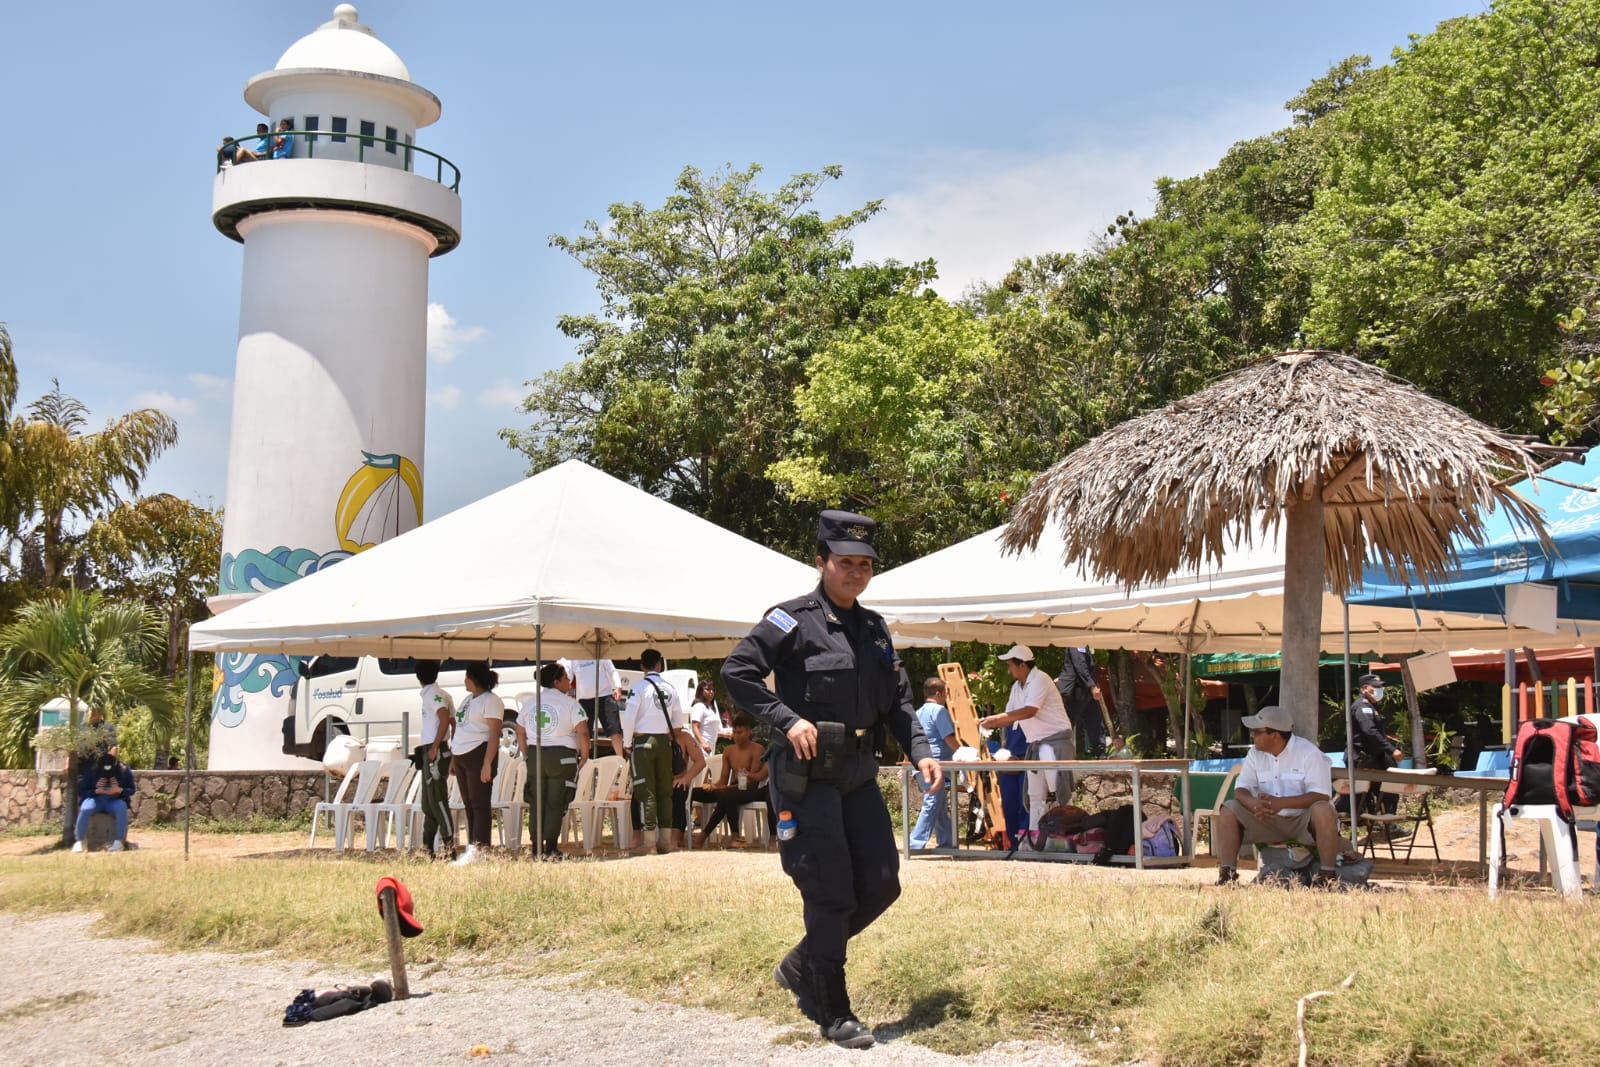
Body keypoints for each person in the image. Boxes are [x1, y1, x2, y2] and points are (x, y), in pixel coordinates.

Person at [723, 508, 939, 1050]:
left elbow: (899, 703)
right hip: (805, 778)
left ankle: (802, 963)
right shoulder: (789, 620)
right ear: (821, 562)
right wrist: (786, 718)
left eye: (865, 564)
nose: (856, 572)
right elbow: (737, 672)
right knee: (830, 890)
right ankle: (832, 1006)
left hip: (858, 774)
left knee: (883, 882)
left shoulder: (874, 629)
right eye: (845, 562)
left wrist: (921, 751)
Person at [1212, 705, 1351, 887]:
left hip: (1301, 821)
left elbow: (1321, 794)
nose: (1252, 736)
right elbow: (1241, 789)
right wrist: (1254, 804)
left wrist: (1282, 803)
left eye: (1256, 731)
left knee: (1323, 809)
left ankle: (1327, 875)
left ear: (1275, 735)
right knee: (1229, 809)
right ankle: (1227, 875)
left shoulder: (1309, 753)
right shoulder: (1254, 754)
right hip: (1266, 819)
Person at [979, 645, 1073, 846]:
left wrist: (993, 720)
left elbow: (1029, 711)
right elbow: (1010, 715)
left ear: (1022, 665)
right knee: (1034, 795)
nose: (1009, 670)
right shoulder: (1017, 687)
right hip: (1036, 743)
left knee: (1058, 792)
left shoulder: (1041, 679)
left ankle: (1066, 838)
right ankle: (1034, 840)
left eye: (1011, 665)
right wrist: (992, 724)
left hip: (1054, 741)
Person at [622, 649, 703, 853]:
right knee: (665, 792)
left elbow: (629, 716)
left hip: (643, 742)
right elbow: (676, 724)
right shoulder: (671, 688)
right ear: (659, 665)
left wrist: (627, 742)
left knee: (645, 790)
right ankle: (666, 841)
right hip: (664, 743)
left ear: (642, 666)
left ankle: (649, 843)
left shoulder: (638, 687)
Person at [516, 662, 590, 860]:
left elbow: (520, 730)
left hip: (535, 755)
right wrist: (585, 755)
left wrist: (526, 753)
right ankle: (550, 848)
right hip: (561, 757)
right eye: (566, 678)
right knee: (555, 802)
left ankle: (535, 847)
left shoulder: (530, 703)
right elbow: (582, 731)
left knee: (536, 801)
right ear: (556, 682)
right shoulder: (570, 703)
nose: (569, 681)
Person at [450, 661, 503, 865]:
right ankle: (472, 845)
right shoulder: (467, 699)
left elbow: (494, 734)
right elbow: (461, 729)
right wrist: (454, 758)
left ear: (474, 679)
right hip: (461, 754)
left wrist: (487, 763)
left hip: (478, 754)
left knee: (480, 804)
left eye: (467, 677)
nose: (464, 681)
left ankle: (481, 848)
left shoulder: (491, 701)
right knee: (468, 803)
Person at [691, 715, 769, 845]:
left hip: (749, 789)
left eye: (740, 732)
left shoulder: (757, 749)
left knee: (727, 796)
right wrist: (712, 786)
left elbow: (753, 781)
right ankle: (678, 833)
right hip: (730, 789)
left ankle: (708, 835)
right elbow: (723, 779)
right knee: (693, 793)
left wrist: (726, 787)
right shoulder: (729, 750)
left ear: (749, 732)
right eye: (734, 732)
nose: (736, 736)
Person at [412, 660, 456, 858]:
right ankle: (427, 847)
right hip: (432, 748)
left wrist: (436, 746)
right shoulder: (442, 694)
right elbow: (454, 722)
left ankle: (449, 847)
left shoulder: (433, 695)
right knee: (428, 802)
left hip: (434, 750)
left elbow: (445, 718)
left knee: (438, 800)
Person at [908, 677, 958, 850]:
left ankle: (947, 842)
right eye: (945, 694)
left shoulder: (917, 712)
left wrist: (906, 765)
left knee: (939, 804)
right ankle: (914, 843)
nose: (946, 698)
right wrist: (962, 752)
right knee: (933, 800)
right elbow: (948, 737)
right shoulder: (939, 710)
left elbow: (911, 740)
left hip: (920, 763)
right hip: (936, 765)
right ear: (938, 693)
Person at [1349, 672, 1403, 823]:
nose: (1379, 691)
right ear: (1364, 689)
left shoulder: (1370, 706)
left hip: (1370, 758)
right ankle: (1388, 825)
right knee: (1388, 790)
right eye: (1376, 688)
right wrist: (1392, 750)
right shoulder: (1363, 706)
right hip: (1365, 759)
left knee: (1381, 792)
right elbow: (1370, 731)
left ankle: (1382, 823)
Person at [71, 752, 135, 852]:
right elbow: (82, 791)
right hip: (96, 799)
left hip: (114, 800)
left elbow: (132, 789)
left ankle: (118, 842)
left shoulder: (123, 770)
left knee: (121, 807)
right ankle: (79, 841)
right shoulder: (92, 770)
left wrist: (119, 790)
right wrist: (95, 791)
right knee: (85, 808)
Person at [564, 658, 625, 759]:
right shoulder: (573, 659)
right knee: (583, 733)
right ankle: (585, 760)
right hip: (584, 699)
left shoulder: (602, 654)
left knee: (615, 731)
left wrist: (618, 686)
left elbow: (612, 670)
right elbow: (568, 677)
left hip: (605, 696)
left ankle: (620, 759)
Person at [1056, 647, 1108, 759]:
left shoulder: (1084, 645)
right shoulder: (1075, 643)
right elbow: (1079, 665)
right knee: (1067, 725)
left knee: (1096, 722)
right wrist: (1092, 685)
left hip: (1085, 689)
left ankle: (1101, 754)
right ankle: (1059, 754)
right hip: (1075, 690)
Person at [689, 679, 731, 753]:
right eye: (708, 689)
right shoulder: (699, 706)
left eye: (713, 690)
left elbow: (714, 730)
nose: (711, 692)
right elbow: (695, 727)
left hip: (710, 747)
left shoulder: (711, 708)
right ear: (701, 691)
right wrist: (703, 744)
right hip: (701, 748)